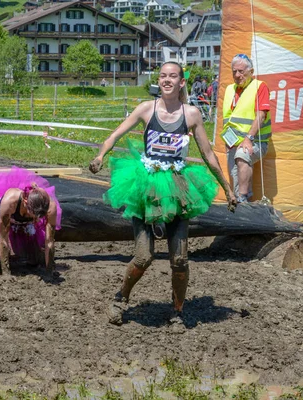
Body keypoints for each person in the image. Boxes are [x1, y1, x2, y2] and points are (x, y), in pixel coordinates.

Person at [89, 61, 236, 329]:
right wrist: (100, 155)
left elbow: (208, 154)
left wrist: (227, 188)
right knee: (144, 257)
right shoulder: (147, 109)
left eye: (172, 77)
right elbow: (116, 134)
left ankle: (177, 311)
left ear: (182, 82)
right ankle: (120, 298)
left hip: (179, 189)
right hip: (146, 189)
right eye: (162, 76)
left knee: (179, 259)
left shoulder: (191, 115)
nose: (167, 80)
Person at [0, 167, 61, 279]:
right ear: (25, 201)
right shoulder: (10, 201)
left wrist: (49, 272)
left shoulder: (50, 207)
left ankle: (23, 254)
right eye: (33, 214)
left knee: (37, 260)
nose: (37, 218)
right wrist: (6, 273)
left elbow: (50, 241)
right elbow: (3, 238)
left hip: (25, 226)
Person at [221, 54, 271, 203]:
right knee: (235, 178)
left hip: (255, 141)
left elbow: (261, 115)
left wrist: (248, 139)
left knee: (242, 156)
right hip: (233, 142)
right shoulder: (230, 89)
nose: (237, 75)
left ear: (251, 71)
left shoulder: (260, 86)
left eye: (241, 71)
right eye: (234, 72)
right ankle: (244, 204)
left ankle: (243, 200)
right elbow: (229, 117)